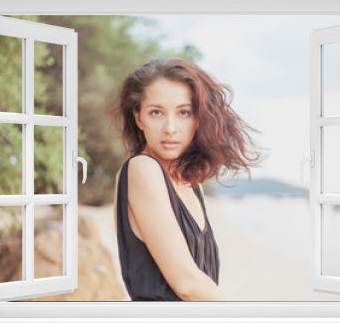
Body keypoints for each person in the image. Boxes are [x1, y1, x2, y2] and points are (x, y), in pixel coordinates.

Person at [110, 57, 264, 301]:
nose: (170, 128)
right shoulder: (141, 169)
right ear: (139, 118)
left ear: (198, 118)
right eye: (156, 112)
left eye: (184, 112)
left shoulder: (191, 183)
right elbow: (187, 282)